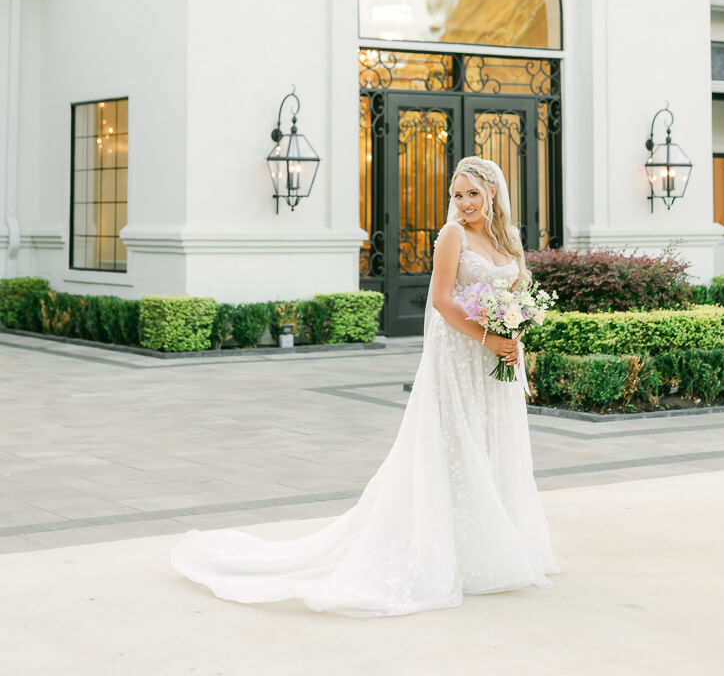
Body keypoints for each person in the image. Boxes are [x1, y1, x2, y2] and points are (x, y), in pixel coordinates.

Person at [171, 155, 558, 617]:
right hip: (459, 355)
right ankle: (458, 556)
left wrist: (513, 335)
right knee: (460, 446)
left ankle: (498, 546)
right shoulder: (451, 235)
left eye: (472, 193)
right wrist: (488, 336)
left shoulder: (508, 240)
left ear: (492, 193)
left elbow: (516, 298)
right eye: (457, 195)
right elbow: (440, 301)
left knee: (495, 443)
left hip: (496, 358)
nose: (464, 203)